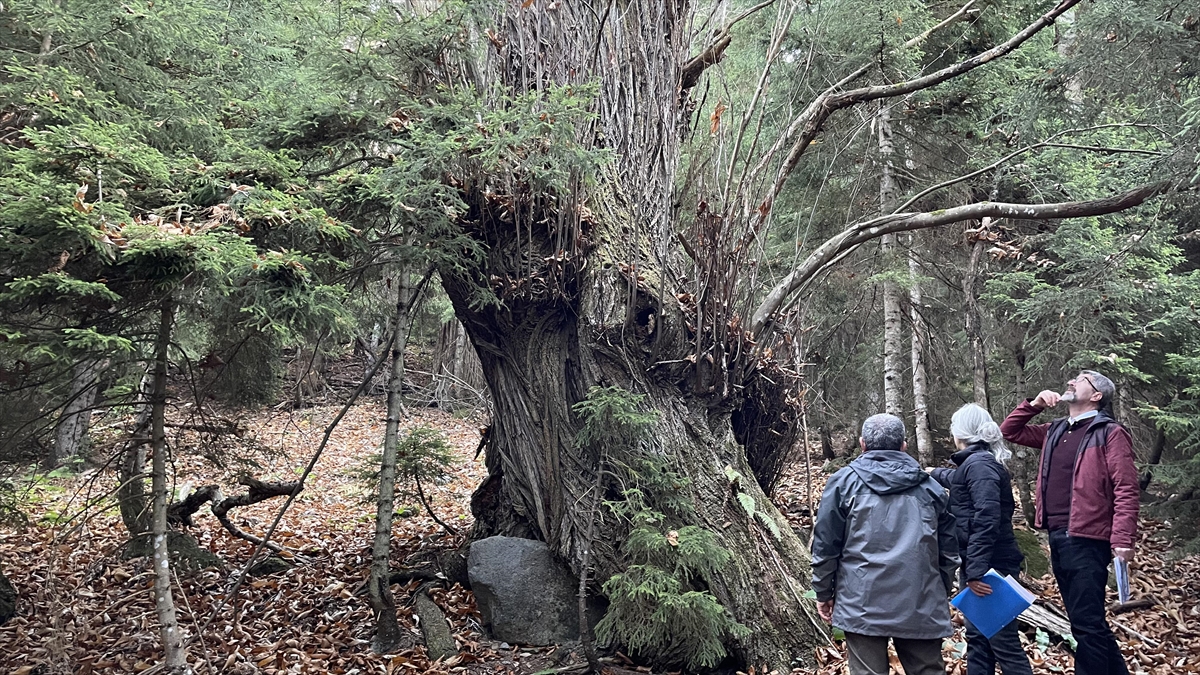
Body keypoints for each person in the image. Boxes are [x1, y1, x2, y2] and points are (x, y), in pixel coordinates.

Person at [1000, 370, 1139, 675]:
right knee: (1085, 621)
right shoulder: (1056, 429)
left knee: (1086, 623)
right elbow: (1010, 431)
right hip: (1059, 535)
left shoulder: (1109, 432)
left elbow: (1126, 487)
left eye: (1080, 380)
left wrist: (1123, 538)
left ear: (1097, 395)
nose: (1071, 382)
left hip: (1089, 537)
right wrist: (1034, 404)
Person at [811, 413, 959, 675]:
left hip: (861, 601)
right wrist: (940, 590)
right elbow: (948, 551)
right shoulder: (931, 488)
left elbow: (825, 546)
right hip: (920, 599)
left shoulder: (842, 483)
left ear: (862, 444)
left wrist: (824, 592)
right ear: (904, 445)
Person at [931, 404, 1033, 675]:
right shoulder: (976, 463)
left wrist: (976, 571)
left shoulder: (980, 465)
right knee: (978, 638)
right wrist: (933, 473)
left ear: (960, 432)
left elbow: (986, 519)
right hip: (980, 562)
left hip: (990, 566)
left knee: (1002, 640)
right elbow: (960, 480)